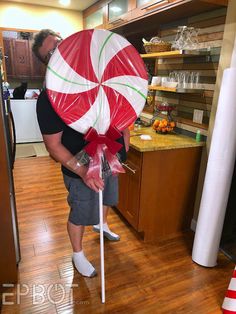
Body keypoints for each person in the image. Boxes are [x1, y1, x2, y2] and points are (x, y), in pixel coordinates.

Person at [32, 29, 130, 278]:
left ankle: (102, 223)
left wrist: (125, 141)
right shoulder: (49, 99)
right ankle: (77, 253)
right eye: (50, 52)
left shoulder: (101, 78)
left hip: (110, 151)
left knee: (108, 196)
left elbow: (123, 109)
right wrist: (84, 171)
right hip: (80, 161)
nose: (58, 52)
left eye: (60, 44)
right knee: (80, 210)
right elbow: (54, 146)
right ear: (46, 63)